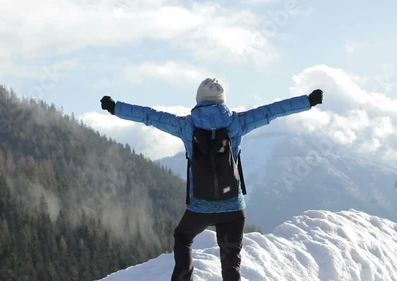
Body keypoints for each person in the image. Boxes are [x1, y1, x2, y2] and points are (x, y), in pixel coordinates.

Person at [100, 78, 323, 281]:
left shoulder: (185, 125)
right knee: (230, 259)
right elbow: (271, 111)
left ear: (199, 99)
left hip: (200, 206)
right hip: (233, 208)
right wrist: (308, 101)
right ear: (222, 100)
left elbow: (148, 115)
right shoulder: (238, 122)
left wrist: (114, 107)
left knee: (183, 237)